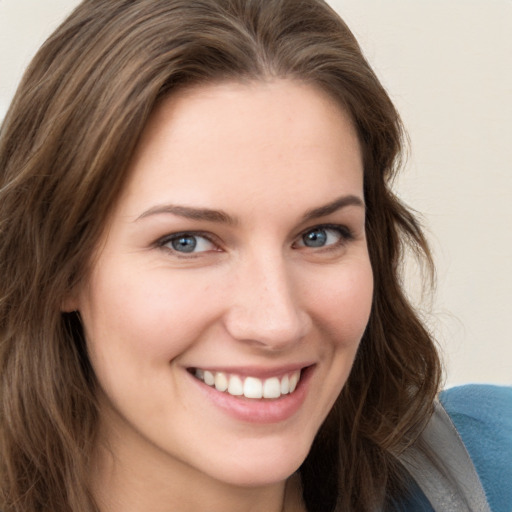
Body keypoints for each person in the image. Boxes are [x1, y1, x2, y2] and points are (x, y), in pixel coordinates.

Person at [0, 1, 510, 511]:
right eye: (188, 242)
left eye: (320, 235)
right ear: (60, 264)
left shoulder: (491, 468)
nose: (277, 323)